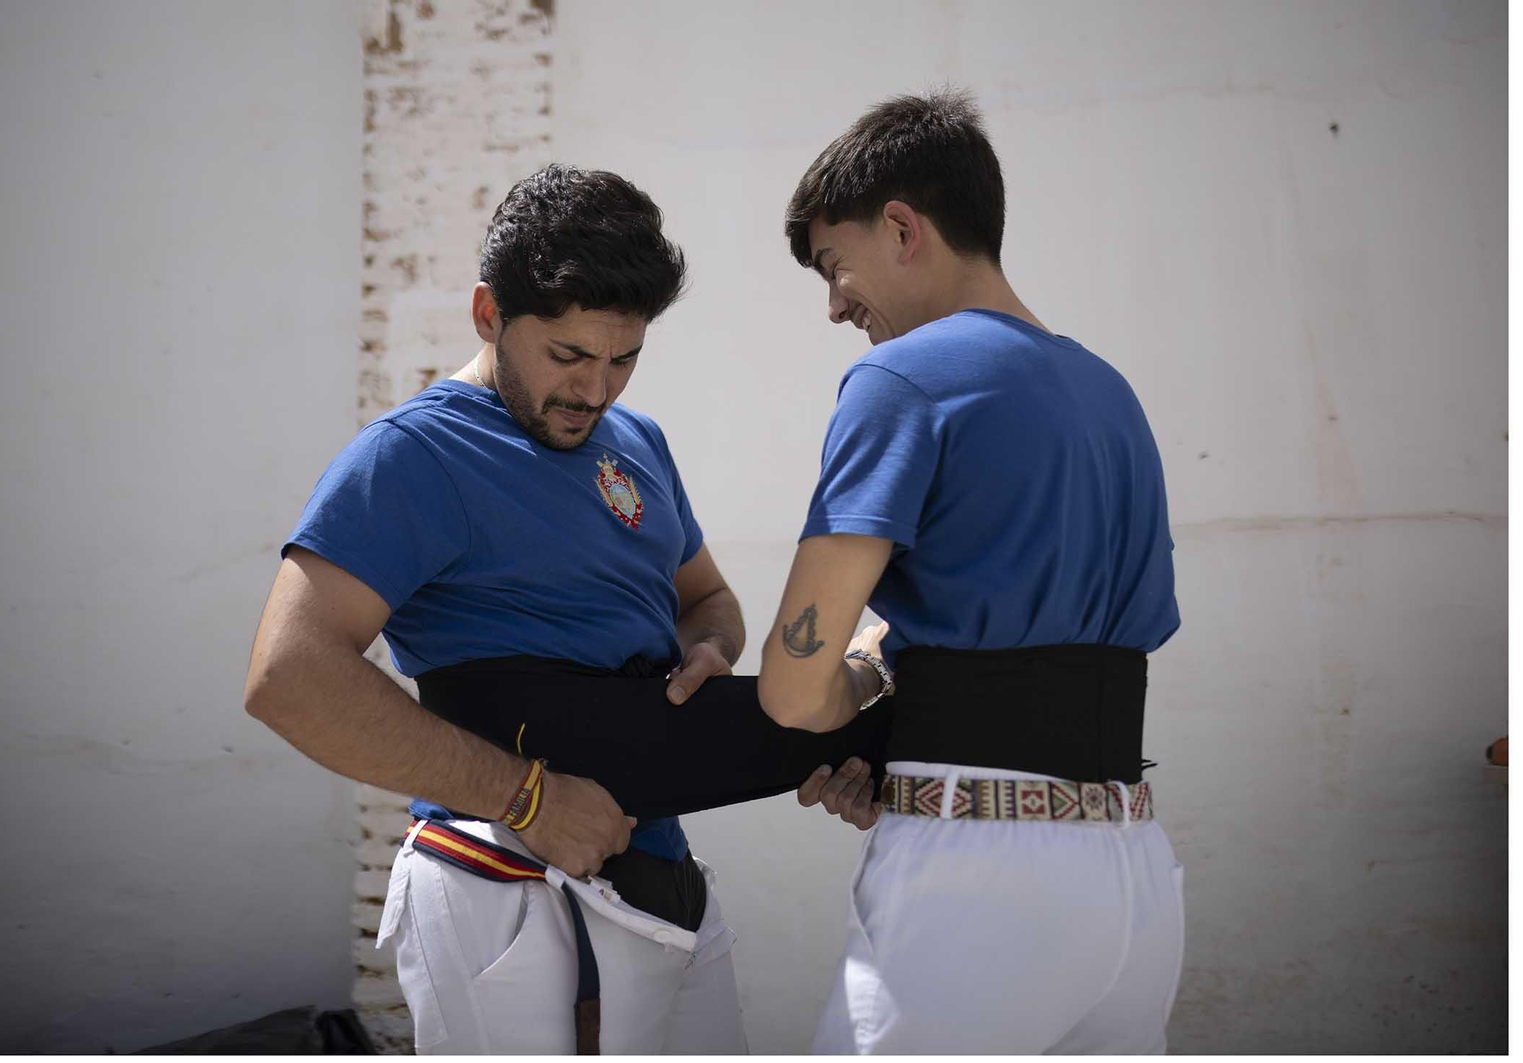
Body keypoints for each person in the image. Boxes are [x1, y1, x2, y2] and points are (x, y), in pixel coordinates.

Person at [243, 165, 752, 1054]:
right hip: (504, 885)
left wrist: (708, 647)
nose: (596, 390)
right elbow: (289, 675)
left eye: (623, 358)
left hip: (666, 876)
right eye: (567, 356)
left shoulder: (638, 443)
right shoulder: (414, 455)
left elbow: (706, 597)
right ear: (489, 315)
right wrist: (525, 798)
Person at [758, 89, 1185, 1054]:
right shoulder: (1110, 393)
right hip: (1134, 873)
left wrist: (863, 684)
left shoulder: (900, 378)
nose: (834, 306)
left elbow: (793, 689)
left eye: (836, 266)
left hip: (976, 878)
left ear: (903, 227)